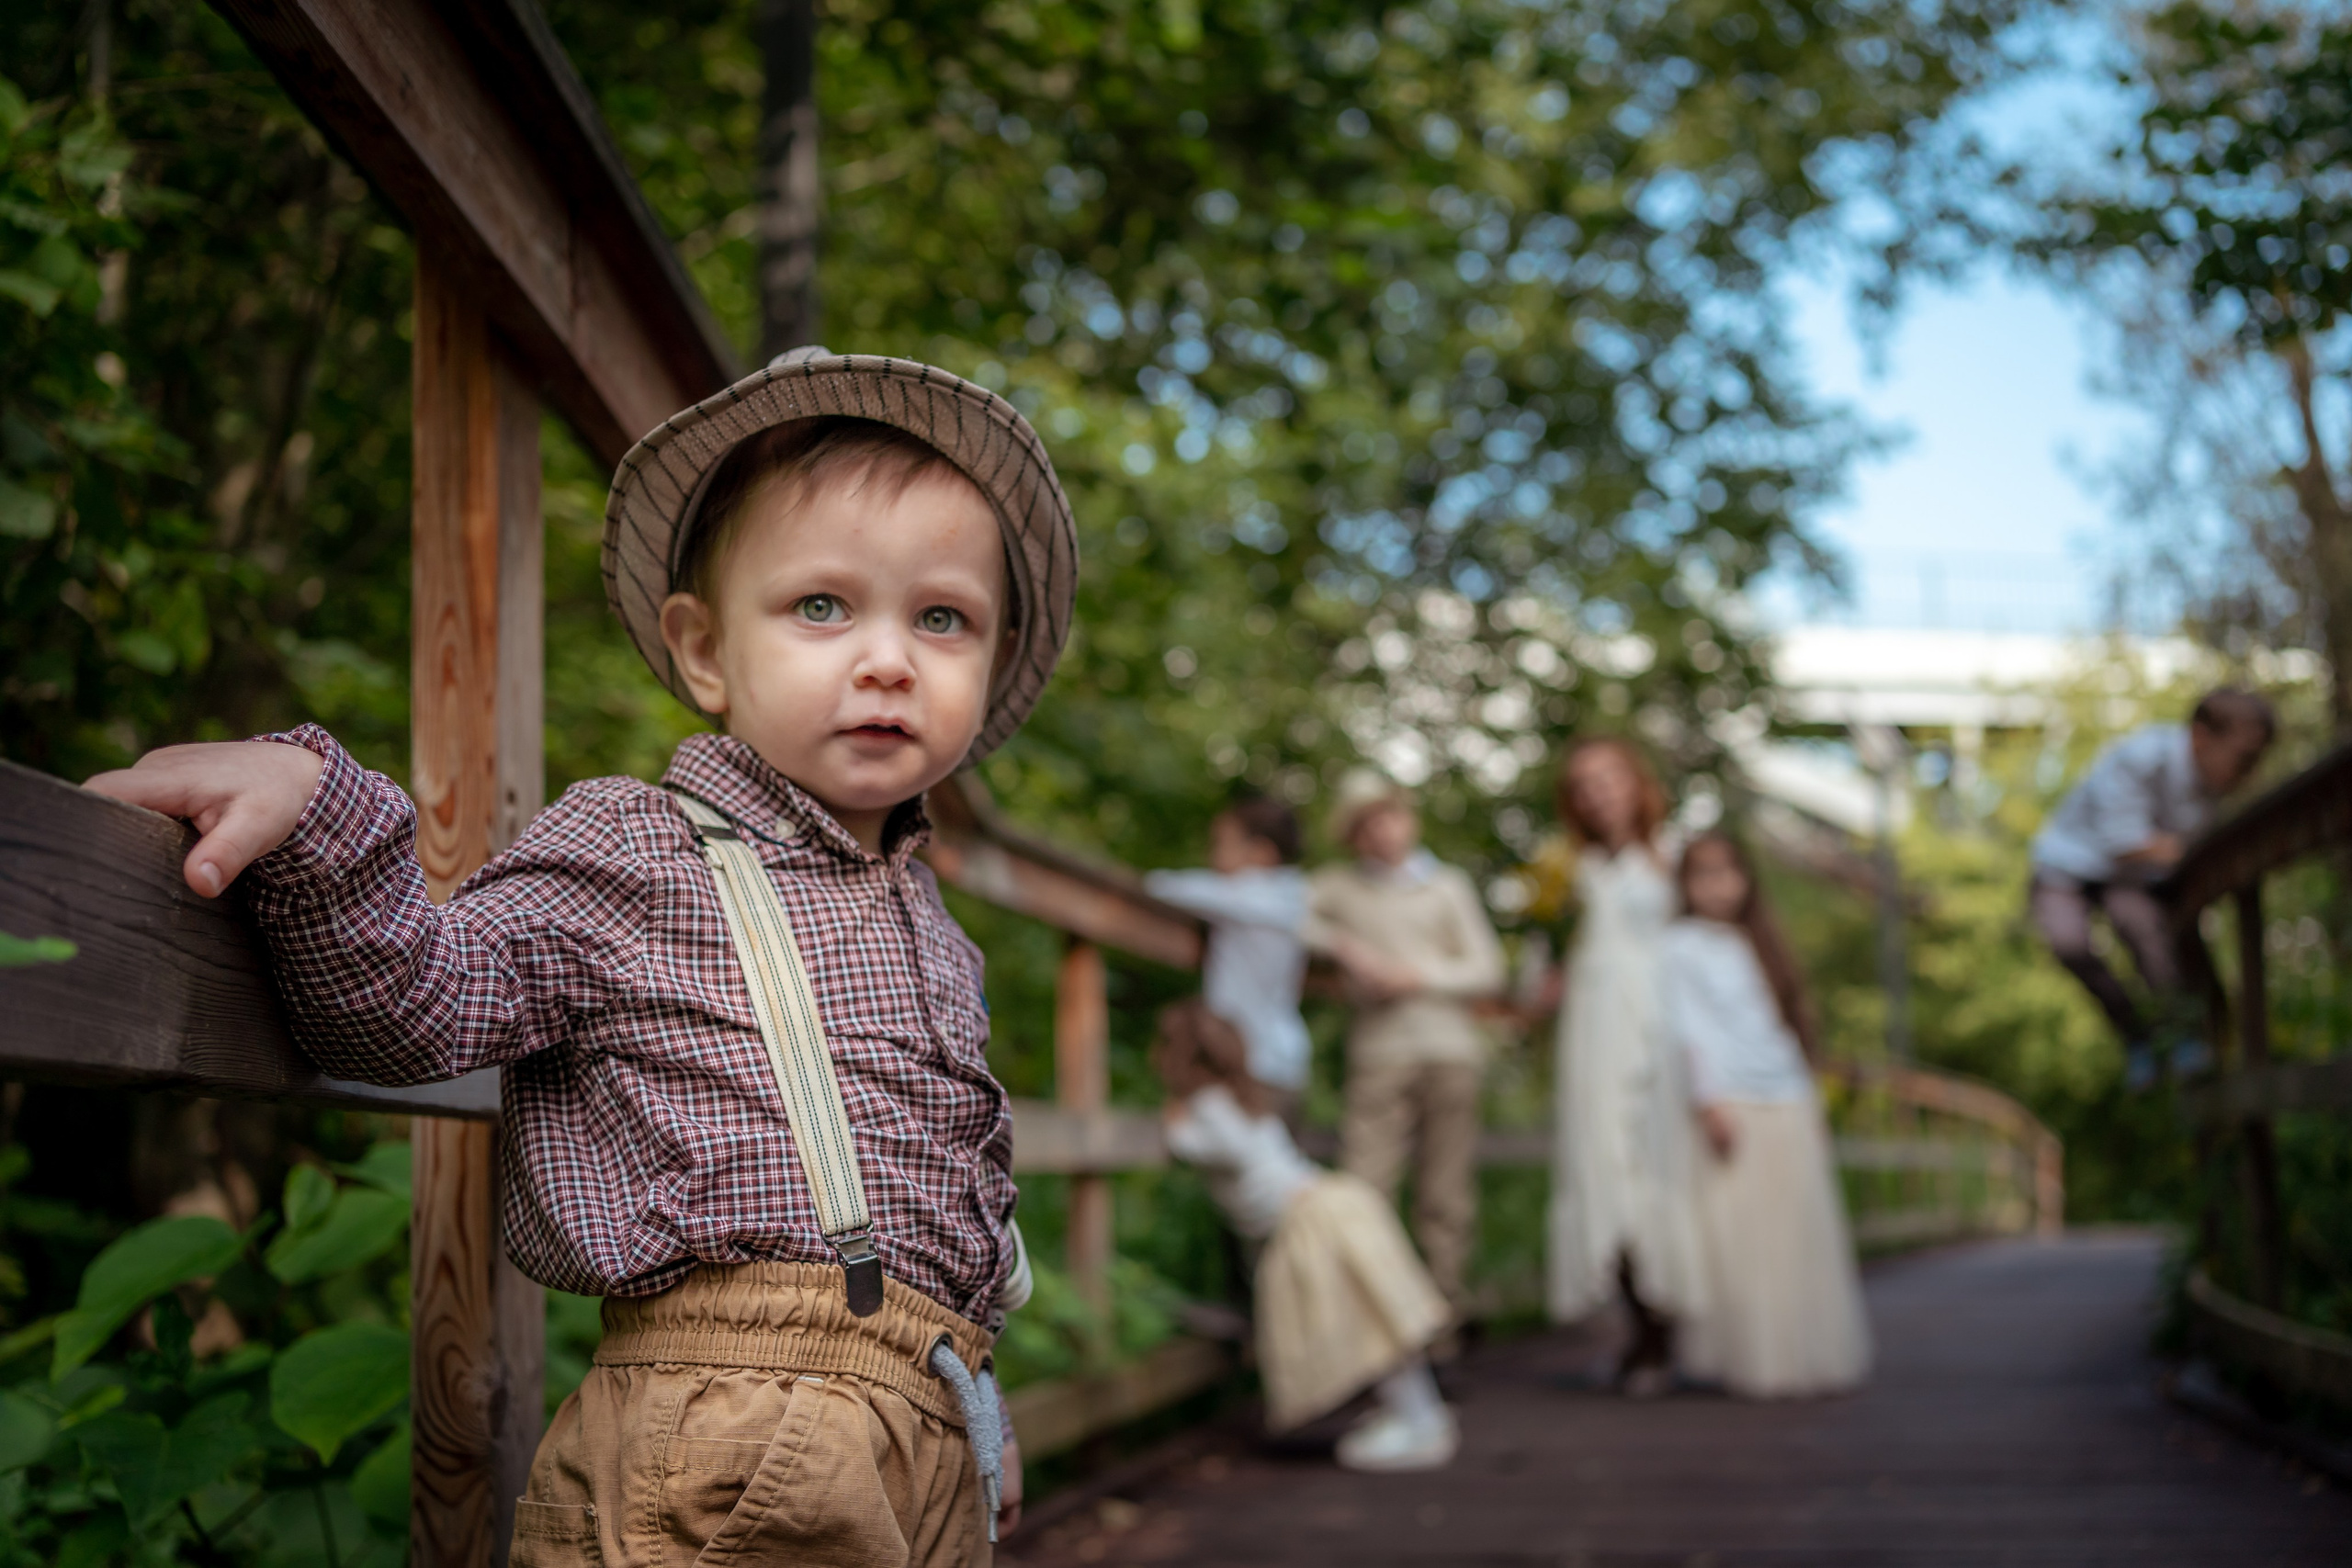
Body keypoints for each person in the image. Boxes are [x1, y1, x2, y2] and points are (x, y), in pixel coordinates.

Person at [86, 348, 1080, 1566]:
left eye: (943, 617)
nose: (889, 657)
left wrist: (975, 1399)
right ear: (705, 652)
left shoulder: (938, 932)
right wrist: (322, 809)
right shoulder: (642, 847)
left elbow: (949, 1202)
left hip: (926, 1438)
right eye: (822, 605)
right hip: (727, 1430)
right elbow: (423, 1009)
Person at [1154, 1000, 1457, 1470]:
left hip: (1309, 1219)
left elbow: (1214, 1148)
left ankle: (1419, 1422)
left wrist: (1175, 1128)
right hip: (1327, 1203)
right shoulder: (1242, 1098)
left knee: (1368, 1314)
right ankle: (1417, 1412)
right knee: (1375, 1310)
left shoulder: (1208, 1108)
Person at [1665, 832, 1871, 1400]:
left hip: (1784, 1095)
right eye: (1701, 873)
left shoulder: (1763, 944)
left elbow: (1787, 1028)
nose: (1715, 885)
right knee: (1742, 1240)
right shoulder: (1677, 946)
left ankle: (1797, 1355)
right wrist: (1708, 1100)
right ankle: (1752, 1360)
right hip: (1732, 1101)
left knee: (1792, 1234)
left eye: (1725, 871)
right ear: (1684, 884)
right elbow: (1686, 1030)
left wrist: (1809, 1101)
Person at [1308, 772, 1506, 1323]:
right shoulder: (1337, 887)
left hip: (1451, 1051)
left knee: (1445, 1195)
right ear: (1353, 836)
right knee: (1366, 1187)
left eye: (1389, 817)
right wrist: (1346, 948)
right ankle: (1373, 1322)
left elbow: (1486, 968)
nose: (1382, 833)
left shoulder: (1447, 887)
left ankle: (1443, 1319)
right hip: (1380, 1053)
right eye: (1367, 825)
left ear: (1408, 820)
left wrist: (1416, 976)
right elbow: (1288, 913)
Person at [1544, 739, 1708, 1397]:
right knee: (1598, 1166)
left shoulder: (1672, 856)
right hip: (1592, 1027)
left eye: (1608, 778)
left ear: (1636, 784)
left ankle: (1662, 1333)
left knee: (1655, 1170)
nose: (1598, 793)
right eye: (1583, 784)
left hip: (1657, 1024)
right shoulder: (1569, 871)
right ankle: (1636, 1328)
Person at [2030, 687, 2276, 1090]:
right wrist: (2191, 849)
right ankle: (2136, 1037)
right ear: (2201, 737)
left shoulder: (2214, 786)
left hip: (2130, 878)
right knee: (2068, 942)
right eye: (2245, 759)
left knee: (2147, 934)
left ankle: (2182, 1037)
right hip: (2069, 863)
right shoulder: (2142, 758)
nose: (2249, 773)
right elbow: (2124, 843)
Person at [1144, 796, 1313, 1121]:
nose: (1213, 855)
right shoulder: (1294, 898)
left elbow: (1162, 887)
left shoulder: (1252, 897)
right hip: (1286, 1057)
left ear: (1262, 852)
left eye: (1221, 843)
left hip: (1250, 1060)